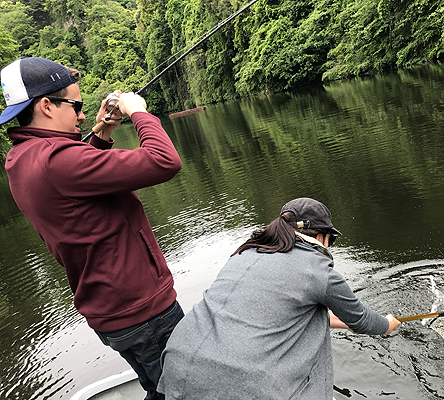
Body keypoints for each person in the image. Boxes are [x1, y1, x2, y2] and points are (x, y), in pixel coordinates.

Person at [0, 57, 184, 400]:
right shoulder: (59, 160)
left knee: (158, 389)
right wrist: (138, 112)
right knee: (188, 390)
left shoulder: (21, 158)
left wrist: (102, 133)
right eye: (76, 105)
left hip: (112, 314)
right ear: (46, 106)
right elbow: (165, 160)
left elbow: (78, 184)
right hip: (144, 312)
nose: (83, 115)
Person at [158, 197, 401, 399]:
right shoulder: (319, 272)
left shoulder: (244, 254)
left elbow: (280, 315)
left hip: (177, 367)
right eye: (332, 240)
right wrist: (387, 324)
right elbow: (364, 321)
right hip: (240, 384)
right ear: (322, 237)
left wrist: (342, 322)